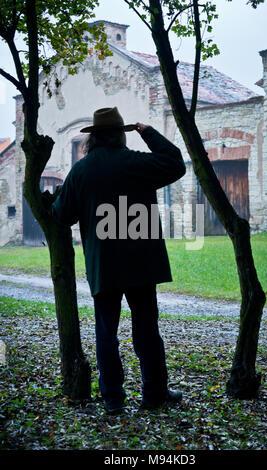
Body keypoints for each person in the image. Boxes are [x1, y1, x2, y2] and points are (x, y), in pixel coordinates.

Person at [52, 107, 186, 414]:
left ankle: (113, 401)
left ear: (94, 138)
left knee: (106, 333)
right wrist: (147, 131)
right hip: (142, 263)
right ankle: (154, 394)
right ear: (120, 136)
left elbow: (61, 214)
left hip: (105, 266)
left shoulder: (82, 170)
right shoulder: (138, 163)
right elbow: (176, 163)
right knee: (147, 330)